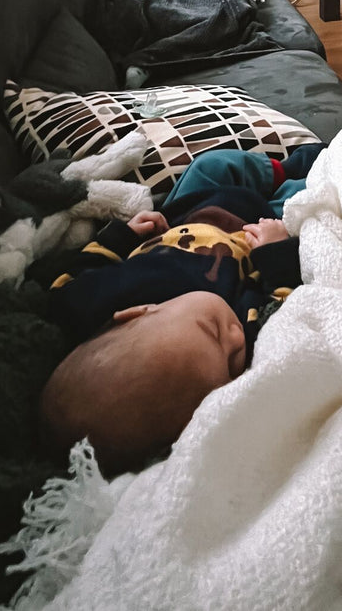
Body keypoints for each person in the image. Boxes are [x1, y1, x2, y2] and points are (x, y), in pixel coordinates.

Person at [38, 142, 323, 476]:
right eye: (232, 367)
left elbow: (71, 277)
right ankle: (311, 169)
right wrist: (275, 251)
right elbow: (284, 309)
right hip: (254, 227)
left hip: (182, 214)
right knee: (306, 202)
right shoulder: (247, 334)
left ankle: (281, 167)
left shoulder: (88, 302)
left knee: (212, 165)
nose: (235, 340)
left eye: (212, 330)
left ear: (137, 312)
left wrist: (124, 235)